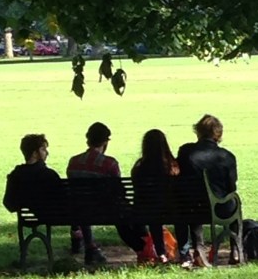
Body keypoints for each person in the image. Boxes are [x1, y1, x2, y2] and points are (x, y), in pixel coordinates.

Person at [175, 113, 242, 267]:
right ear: (218, 134)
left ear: (198, 132)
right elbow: (232, 187)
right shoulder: (227, 156)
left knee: (192, 202)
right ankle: (235, 250)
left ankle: (199, 247)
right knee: (235, 202)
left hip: (191, 208)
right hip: (221, 209)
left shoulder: (186, 152)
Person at [65, 121, 127, 267]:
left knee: (82, 204)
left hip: (77, 210)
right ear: (105, 142)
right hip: (104, 211)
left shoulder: (73, 162)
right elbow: (119, 191)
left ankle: (85, 241)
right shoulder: (110, 164)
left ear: (88, 140)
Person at [131, 128, 180, 265]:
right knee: (162, 213)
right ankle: (182, 252)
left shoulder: (140, 167)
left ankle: (159, 252)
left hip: (145, 209)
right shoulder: (172, 166)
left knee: (153, 216)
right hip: (171, 209)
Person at [2, 133, 61, 212]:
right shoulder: (49, 175)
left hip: (25, 218)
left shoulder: (16, 175)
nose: (47, 153)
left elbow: (9, 203)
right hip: (51, 216)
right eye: (43, 149)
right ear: (35, 153)